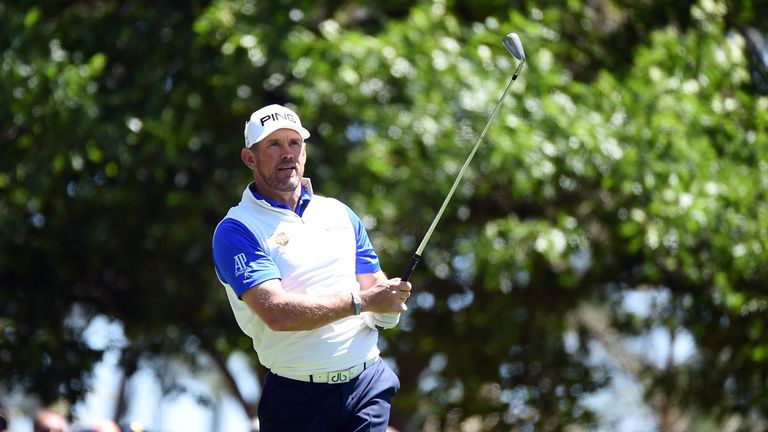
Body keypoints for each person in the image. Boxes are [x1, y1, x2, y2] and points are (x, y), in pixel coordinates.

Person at [212, 103, 412, 431]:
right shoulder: (237, 229)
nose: (287, 153)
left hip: (366, 383)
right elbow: (277, 313)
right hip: (296, 398)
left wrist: (389, 305)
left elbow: (373, 286)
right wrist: (364, 302)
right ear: (250, 158)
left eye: (294, 143)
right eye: (273, 145)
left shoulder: (339, 213)